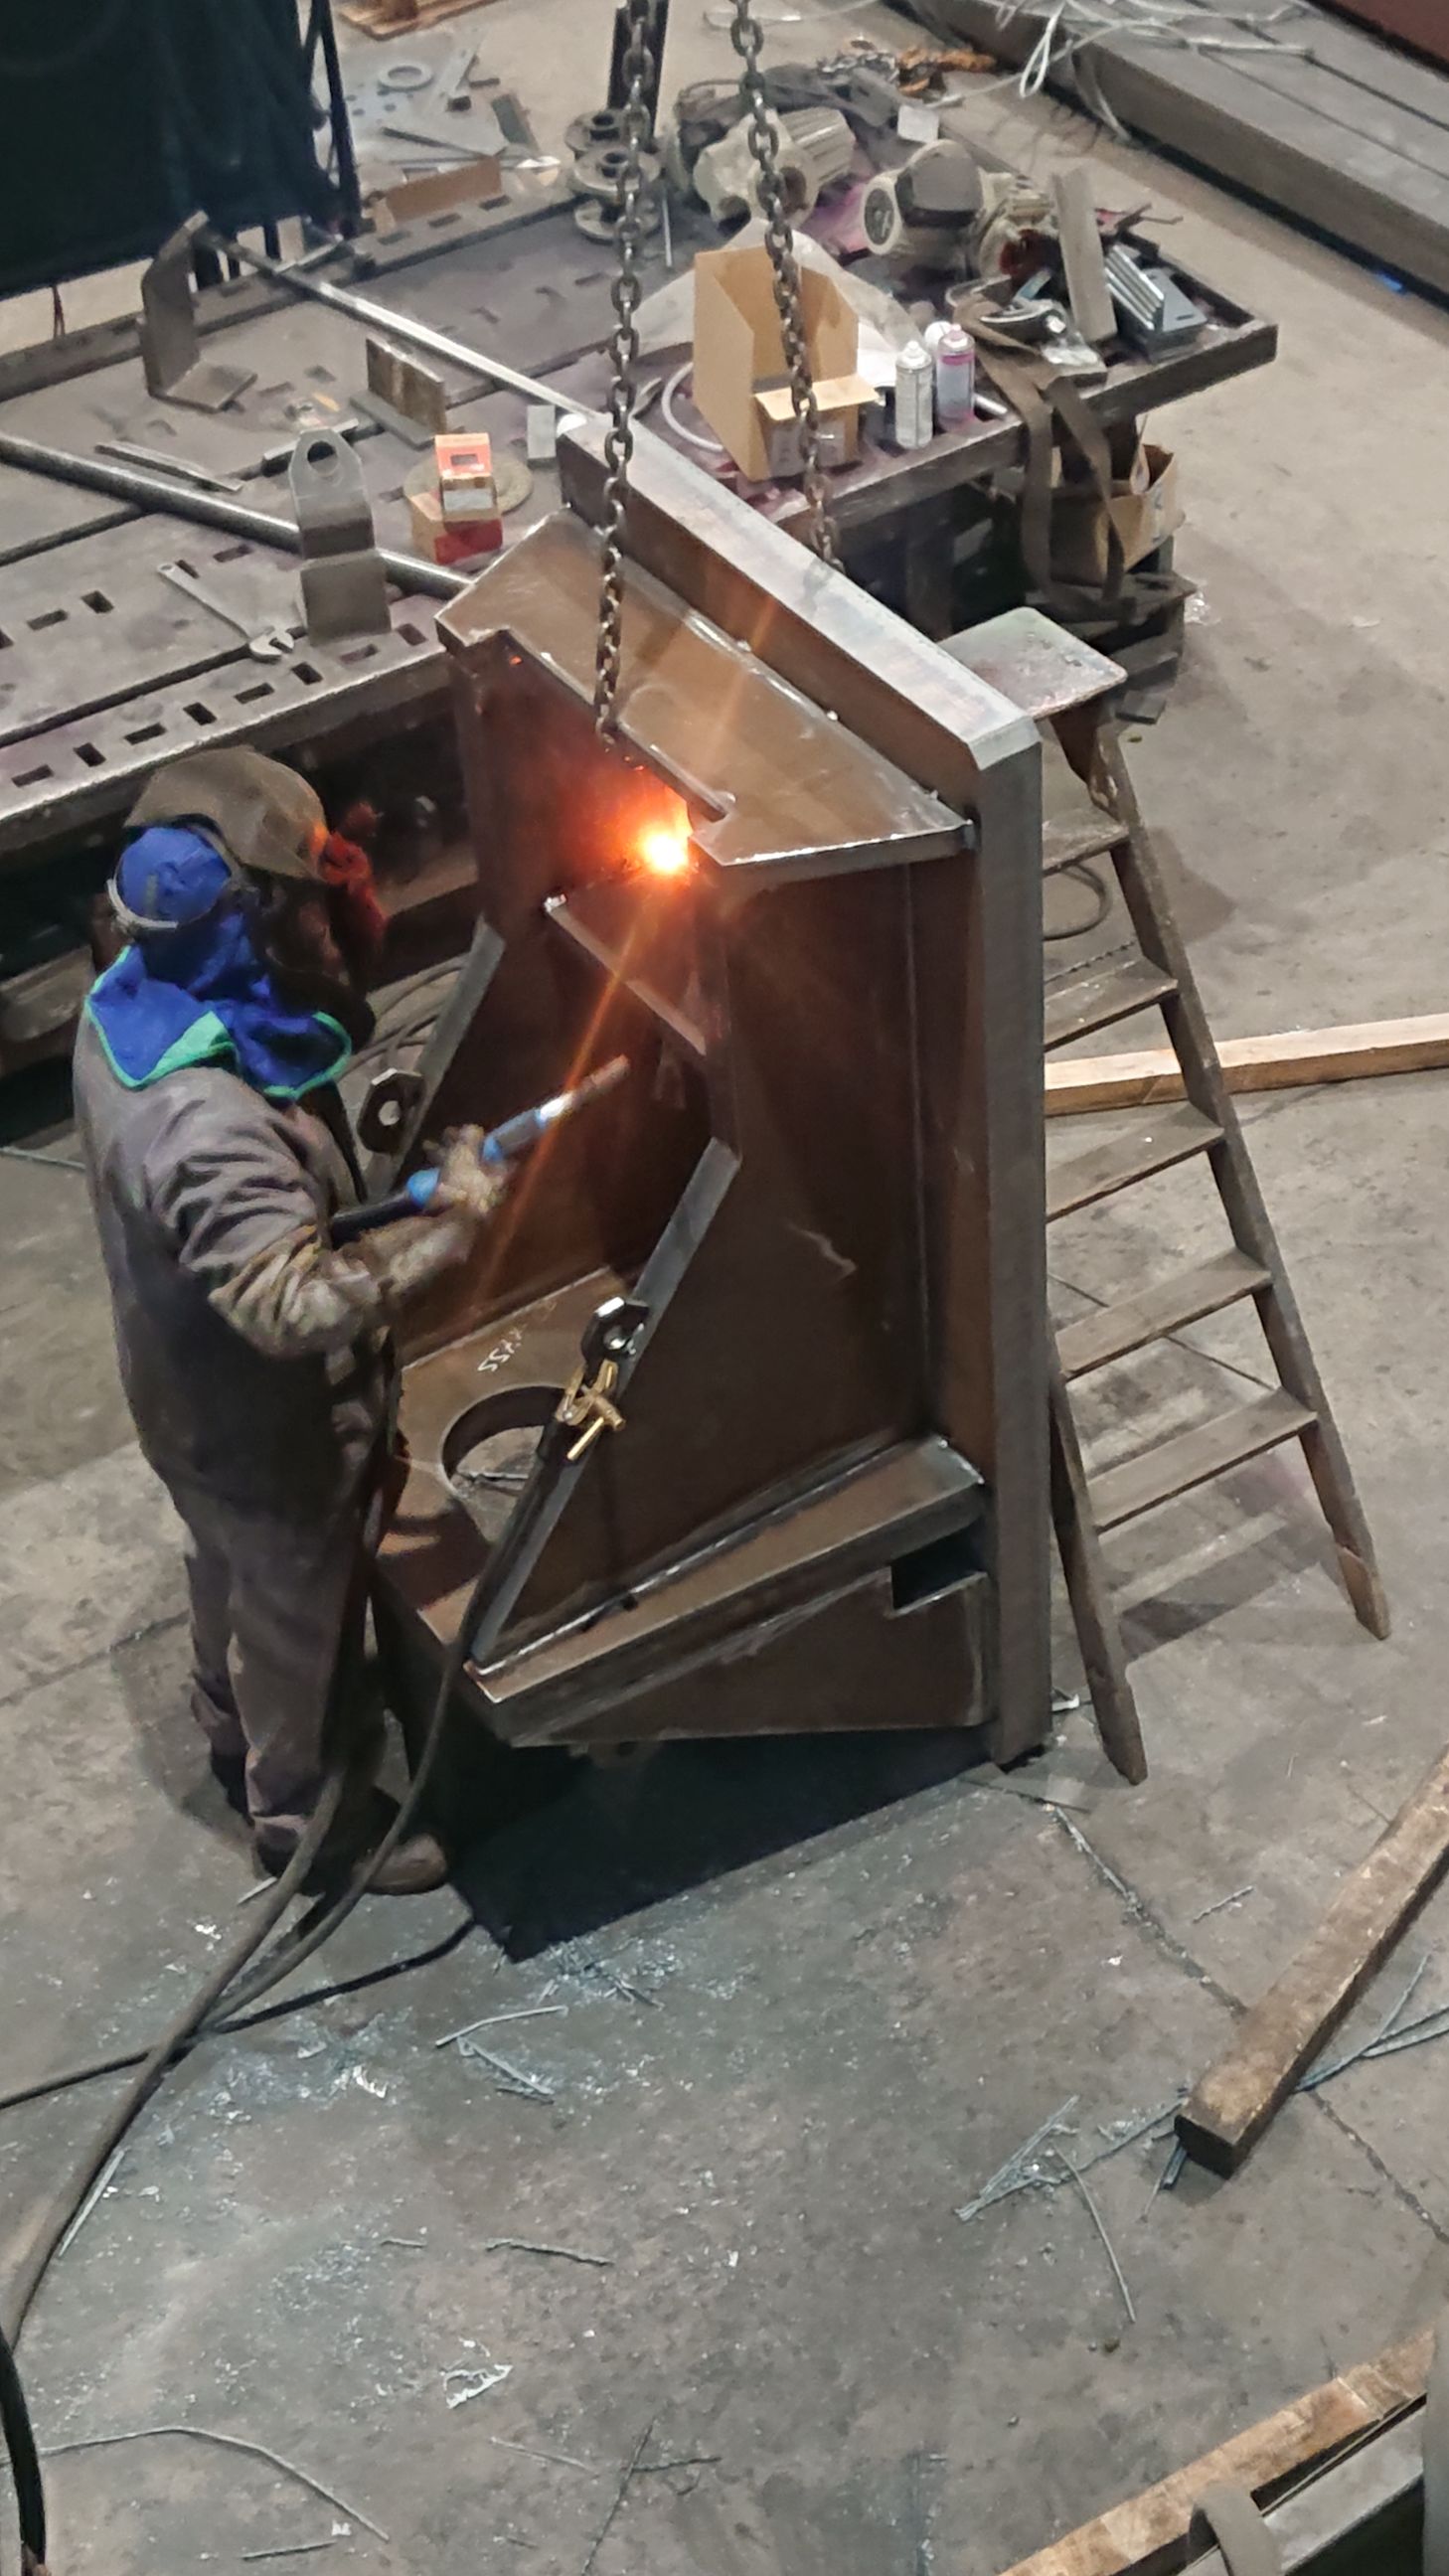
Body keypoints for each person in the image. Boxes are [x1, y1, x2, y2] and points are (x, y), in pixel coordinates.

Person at [74, 746, 503, 1893]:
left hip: (182, 1396)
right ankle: (305, 1823)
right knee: (297, 1615)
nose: (330, 907)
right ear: (248, 924)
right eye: (306, 899)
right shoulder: (206, 1126)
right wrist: (446, 1231)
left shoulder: (126, 1007)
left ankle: (225, 1721)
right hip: (263, 1430)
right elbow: (287, 1302)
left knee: (228, 1572)